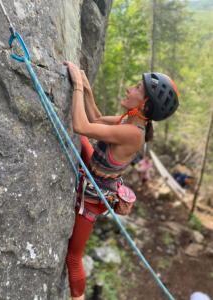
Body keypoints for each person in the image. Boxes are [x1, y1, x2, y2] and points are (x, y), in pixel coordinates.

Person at [62, 60, 179, 300]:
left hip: (94, 197)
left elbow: (80, 125)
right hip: (96, 172)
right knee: (81, 144)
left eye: (137, 88)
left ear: (145, 106)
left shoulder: (133, 134)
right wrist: (87, 88)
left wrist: (76, 86)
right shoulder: (128, 121)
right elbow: (95, 118)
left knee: (73, 258)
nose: (129, 89)